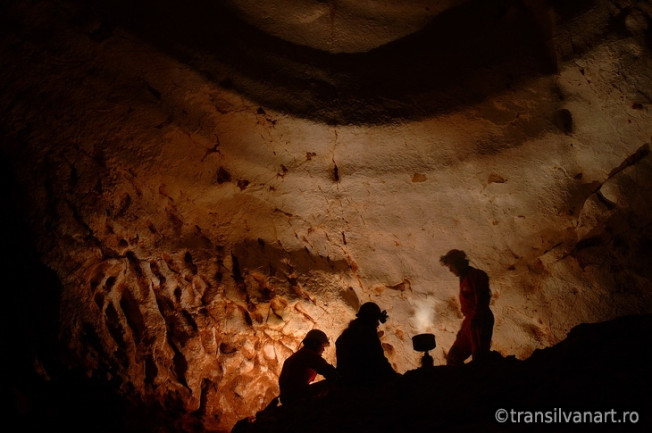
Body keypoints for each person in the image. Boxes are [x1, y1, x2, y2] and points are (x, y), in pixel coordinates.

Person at [440, 249, 494, 366]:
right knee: (454, 356)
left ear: (458, 263)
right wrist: (463, 329)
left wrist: (476, 320)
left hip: (480, 319)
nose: (450, 270)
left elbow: (483, 298)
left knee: (479, 357)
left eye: (451, 266)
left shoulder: (476, 276)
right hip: (470, 321)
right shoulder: (465, 278)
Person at [335, 302, 399, 386]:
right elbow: (379, 360)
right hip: (361, 383)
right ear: (371, 319)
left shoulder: (345, 335)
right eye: (376, 320)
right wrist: (396, 377)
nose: (377, 324)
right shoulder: (367, 334)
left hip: (345, 381)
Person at [278, 329, 338, 405]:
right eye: (322, 346)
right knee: (332, 383)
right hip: (297, 397)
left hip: (288, 398)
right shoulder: (308, 355)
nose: (323, 349)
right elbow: (328, 371)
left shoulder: (298, 355)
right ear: (314, 344)